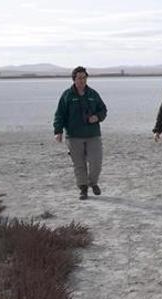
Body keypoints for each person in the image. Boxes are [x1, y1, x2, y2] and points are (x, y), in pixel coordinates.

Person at [53, 66, 108, 200]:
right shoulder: (67, 95)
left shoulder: (93, 94)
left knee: (96, 162)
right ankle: (83, 188)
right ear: (74, 79)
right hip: (74, 136)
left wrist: (97, 117)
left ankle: (93, 182)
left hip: (93, 134)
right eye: (79, 78)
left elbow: (103, 110)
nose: (82, 80)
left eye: (84, 78)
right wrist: (58, 131)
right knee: (79, 164)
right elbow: (59, 114)